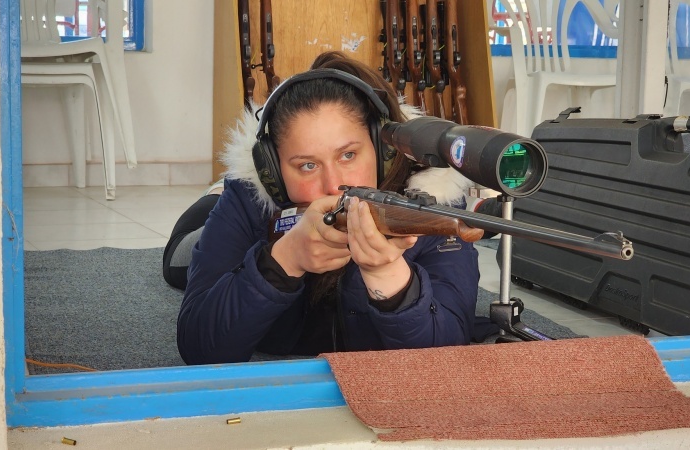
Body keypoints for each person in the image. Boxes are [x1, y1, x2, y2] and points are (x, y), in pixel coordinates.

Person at [167, 51, 480, 365]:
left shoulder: (434, 202)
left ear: (383, 150)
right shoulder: (251, 197)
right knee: (176, 259)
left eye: (348, 156)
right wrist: (282, 262)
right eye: (307, 165)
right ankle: (215, 193)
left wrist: (391, 280)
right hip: (221, 212)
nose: (333, 185)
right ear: (272, 171)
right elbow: (200, 348)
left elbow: (444, 357)